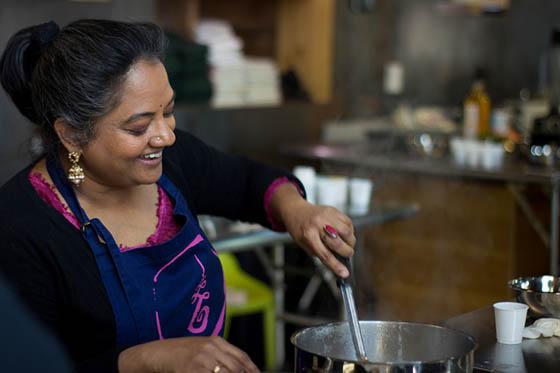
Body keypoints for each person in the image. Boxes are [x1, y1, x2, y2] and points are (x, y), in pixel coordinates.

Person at [0, 20, 356, 373]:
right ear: (72, 135)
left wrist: (298, 211)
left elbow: (249, 182)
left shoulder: (173, 161)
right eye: (138, 127)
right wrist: (145, 359)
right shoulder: (18, 225)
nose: (165, 136)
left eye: (168, 112)